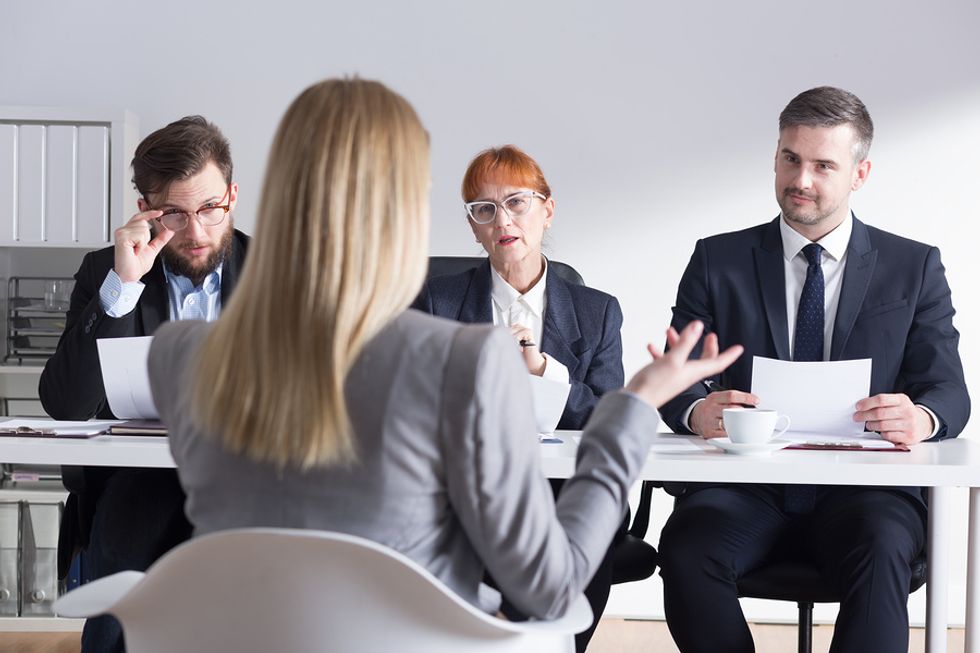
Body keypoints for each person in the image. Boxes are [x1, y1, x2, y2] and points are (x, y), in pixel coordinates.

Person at [146, 77, 742, 630]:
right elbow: (551, 590)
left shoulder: (177, 353)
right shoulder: (468, 359)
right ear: (403, 204)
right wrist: (635, 407)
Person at [657, 86, 970, 653]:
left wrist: (921, 417)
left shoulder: (913, 266)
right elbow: (676, 380)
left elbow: (947, 388)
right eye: (790, 159)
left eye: (824, 165)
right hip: (746, 485)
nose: (801, 180)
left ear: (860, 172)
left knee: (882, 547)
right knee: (686, 547)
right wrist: (695, 410)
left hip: (866, 488)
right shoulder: (717, 259)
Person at [38, 116, 250, 653]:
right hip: (139, 487)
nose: (197, 232)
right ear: (145, 211)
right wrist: (123, 288)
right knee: (131, 522)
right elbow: (65, 403)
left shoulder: (282, 272)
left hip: (249, 480)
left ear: (232, 195)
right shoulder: (104, 273)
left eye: (209, 209)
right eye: (175, 215)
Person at [412, 144, 625, 650]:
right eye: (484, 210)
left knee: (581, 537)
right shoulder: (437, 301)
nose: (502, 220)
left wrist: (543, 369)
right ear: (472, 226)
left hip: (561, 493)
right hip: (465, 489)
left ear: (547, 210)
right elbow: (415, 404)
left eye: (517, 203)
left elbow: (606, 418)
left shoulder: (597, 312)